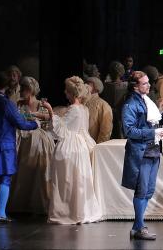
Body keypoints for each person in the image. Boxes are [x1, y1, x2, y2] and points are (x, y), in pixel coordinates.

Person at [0, 70, 40, 223]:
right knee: (4, 178)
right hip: (5, 146)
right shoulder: (6, 103)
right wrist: (35, 124)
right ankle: (1, 213)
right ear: (6, 86)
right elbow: (20, 123)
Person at [121, 70, 163, 241]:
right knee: (142, 191)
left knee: (148, 190)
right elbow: (129, 130)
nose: (148, 85)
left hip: (153, 150)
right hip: (142, 152)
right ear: (135, 87)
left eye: (148, 82)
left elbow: (152, 122)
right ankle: (140, 227)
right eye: (144, 83)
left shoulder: (146, 100)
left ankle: (137, 227)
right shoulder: (130, 104)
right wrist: (152, 133)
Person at [48, 77, 102, 224]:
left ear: (71, 93)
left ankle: (68, 212)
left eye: (67, 91)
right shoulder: (84, 109)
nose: (65, 93)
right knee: (79, 180)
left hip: (71, 147)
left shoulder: (73, 109)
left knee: (68, 180)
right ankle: (80, 211)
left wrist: (50, 110)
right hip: (81, 146)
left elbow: (60, 128)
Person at [9, 77, 54, 215]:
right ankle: (20, 204)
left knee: (38, 170)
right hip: (22, 137)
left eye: (23, 88)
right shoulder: (19, 103)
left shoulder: (41, 104)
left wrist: (33, 115)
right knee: (22, 172)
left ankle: (39, 203)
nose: (20, 91)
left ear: (30, 89)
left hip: (38, 138)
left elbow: (49, 118)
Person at [84, 77, 113, 144]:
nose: (85, 85)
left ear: (96, 87)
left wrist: (99, 145)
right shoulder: (82, 102)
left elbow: (106, 129)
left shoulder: (103, 105)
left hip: (93, 144)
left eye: (88, 84)